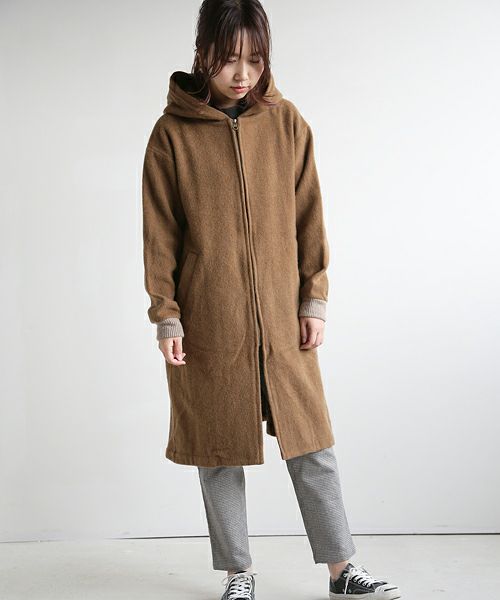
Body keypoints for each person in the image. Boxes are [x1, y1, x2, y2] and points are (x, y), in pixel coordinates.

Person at [142, 1, 402, 598]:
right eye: (229, 60)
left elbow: (310, 218)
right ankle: (238, 574)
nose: (243, 74)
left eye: (255, 61)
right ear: (203, 54)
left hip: (284, 320)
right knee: (217, 451)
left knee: (311, 443)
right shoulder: (171, 136)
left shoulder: (287, 124)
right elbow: (160, 235)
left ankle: (342, 571)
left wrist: (314, 301)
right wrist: (167, 316)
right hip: (210, 319)